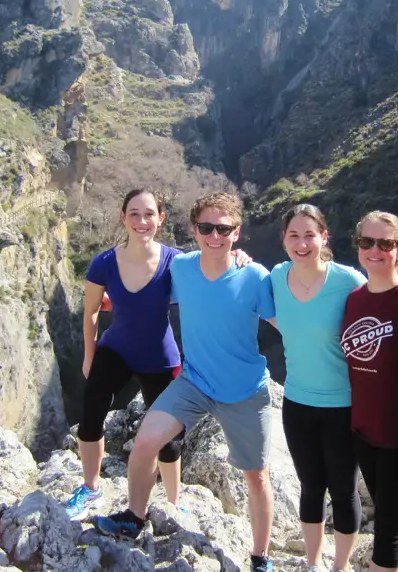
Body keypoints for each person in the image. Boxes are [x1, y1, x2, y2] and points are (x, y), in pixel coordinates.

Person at [93, 191, 278, 572]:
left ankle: (260, 558)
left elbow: (284, 323)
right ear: (194, 230)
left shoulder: (254, 275)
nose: (215, 236)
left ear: (237, 232)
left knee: (256, 477)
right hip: (194, 383)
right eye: (206, 227)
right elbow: (145, 289)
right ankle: (134, 516)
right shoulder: (183, 268)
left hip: (245, 392)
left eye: (223, 229)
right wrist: (106, 304)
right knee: (146, 440)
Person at [65, 188, 249, 521]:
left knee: (170, 438)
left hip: (160, 358)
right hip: (116, 349)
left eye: (149, 214)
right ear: (123, 217)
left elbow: (212, 267)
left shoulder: (176, 262)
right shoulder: (104, 263)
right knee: (91, 413)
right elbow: (92, 310)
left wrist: (238, 258)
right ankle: (91, 487)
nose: (141, 221)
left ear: (160, 219)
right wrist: (89, 356)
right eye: (133, 213)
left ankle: (174, 500)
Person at [269, 204, 365, 572]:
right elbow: (246, 290)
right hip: (297, 403)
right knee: (310, 487)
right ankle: (314, 563)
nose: (302, 243)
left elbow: (386, 309)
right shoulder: (277, 277)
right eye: (294, 235)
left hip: (343, 406)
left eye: (310, 234)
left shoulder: (348, 282)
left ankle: (339, 566)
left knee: (343, 490)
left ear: (324, 237)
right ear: (283, 240)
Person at [340, 211, 398, 572]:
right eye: (366, 242)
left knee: (385, 529)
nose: (374, 250)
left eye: (385, 243)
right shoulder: (355, 299)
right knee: (396, 521)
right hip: (363, 430)